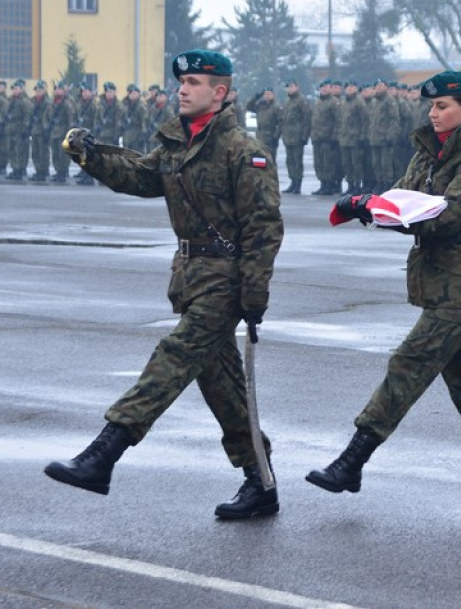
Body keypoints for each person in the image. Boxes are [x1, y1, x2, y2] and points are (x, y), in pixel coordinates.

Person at [44, 49, 285, 520]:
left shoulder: (243, 151)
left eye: (194, 82)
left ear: (219, 93)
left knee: (173, 358)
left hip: (226, 283)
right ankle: (261, 482)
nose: (183, 88)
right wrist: (92, 156)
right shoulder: (179, 144)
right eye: (182, 81)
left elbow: (264, 227)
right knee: (222, 386)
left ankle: (103, 455)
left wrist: (254, 294)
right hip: (191, 278)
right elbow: (141, 176)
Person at [306, 70, 461, 507]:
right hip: (439, 278)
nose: (433, 112)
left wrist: (376, 207)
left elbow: (444, 216)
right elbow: (403, 201)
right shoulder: (429, 154)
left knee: (409, 363)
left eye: (442, 106)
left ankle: (352, 462)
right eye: (431, 106)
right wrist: (368, 206)